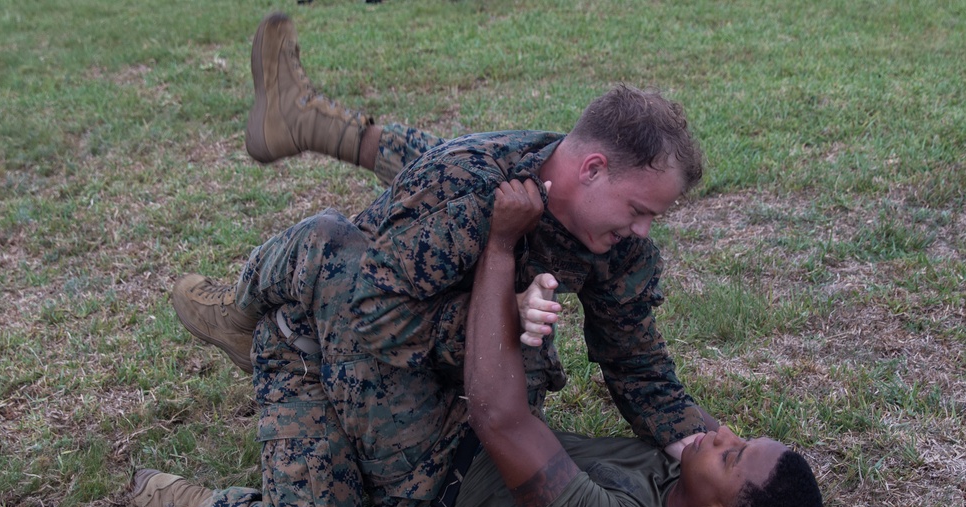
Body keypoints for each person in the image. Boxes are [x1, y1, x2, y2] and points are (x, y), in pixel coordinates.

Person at [95, 181, 824, 507]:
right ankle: (280, 330)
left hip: (426, 471)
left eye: (731, 455)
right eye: (738, 437)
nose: (721, 434)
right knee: (509, 304)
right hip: (469, 427)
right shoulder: (697, 491)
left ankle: (260, 373)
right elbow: (653, 394)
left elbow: (497, 412)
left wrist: (502, 247)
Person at [178, 12, 719, 465]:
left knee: (447, 170)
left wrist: (698, 443)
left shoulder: (611, 237)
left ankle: (304, 120)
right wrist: (500, 313)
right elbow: (373, 311)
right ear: (593, 168)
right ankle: (239, 315)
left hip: (465, 228)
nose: (643, 231)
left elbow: (635, 357)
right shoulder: (464, 188)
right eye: (638, 209)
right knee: (355, 237)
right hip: (364, 328)